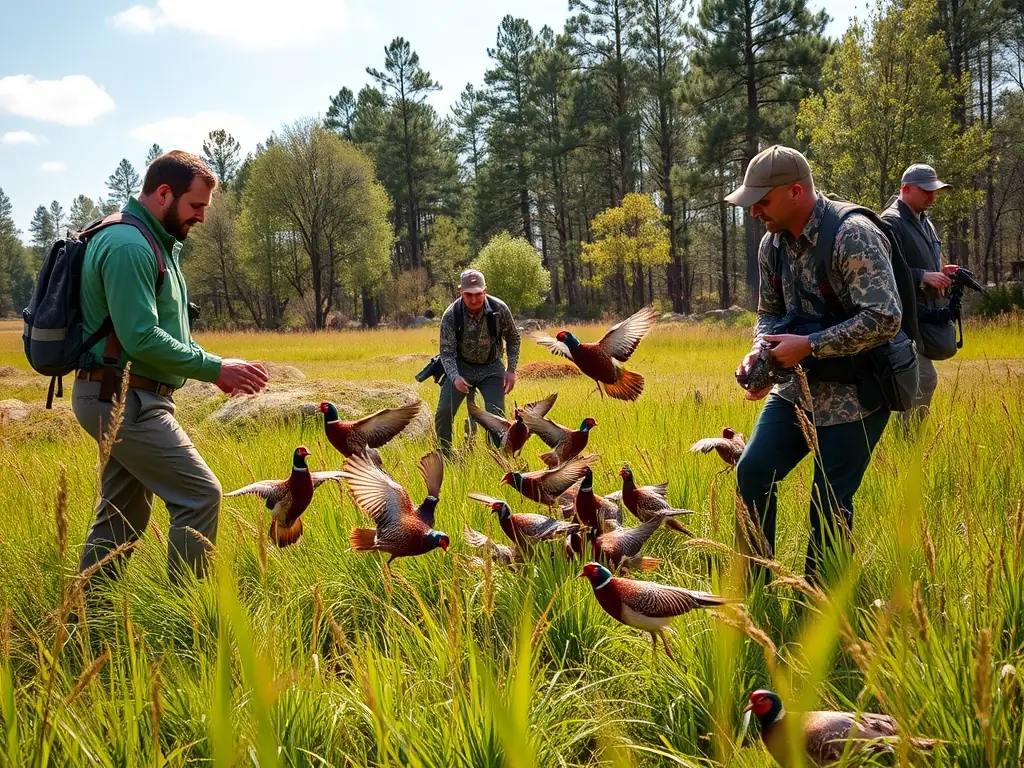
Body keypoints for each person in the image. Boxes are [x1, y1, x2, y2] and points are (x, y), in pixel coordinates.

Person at [73, 150, 269, 584]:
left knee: (122, 517)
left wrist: (214, 367)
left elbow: (168, 334)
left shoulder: (155, 243)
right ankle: (188, 620)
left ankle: (82, 623)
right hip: (122, 397)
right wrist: (215, 368)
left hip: (130, 395)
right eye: (195, 205)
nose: (200, 217)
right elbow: (139, 336)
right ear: (164, 193)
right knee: (200, 495)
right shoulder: (128, 246)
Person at [726, 145, 903, 583]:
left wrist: (809, 345)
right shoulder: (773, 244)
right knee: (752, 472)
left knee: (828, 503)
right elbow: (769, 312)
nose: (754, 213)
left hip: (858, 394)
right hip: (796, 389)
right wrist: (760, 353)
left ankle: (818, 608)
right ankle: (755, 588)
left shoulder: (853, 235)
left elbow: (885, 317)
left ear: (796, 192)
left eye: (762, 201)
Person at [880, 164, 955, 426]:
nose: (932, 197)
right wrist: (922, 276)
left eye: (934, 191)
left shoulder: (925, 221)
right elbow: (883, 271)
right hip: (902, 321)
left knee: (920, 380)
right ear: (906, 189)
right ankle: (908, 443)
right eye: (926, 191)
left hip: (922, 316)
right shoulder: (891, 222)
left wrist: (941, 271)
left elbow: (919, 261)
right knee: (923, 379)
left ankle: (911, 442)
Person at [434, 269, 521, 456]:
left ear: (485, 291)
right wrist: (455, 377)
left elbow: (513, 338)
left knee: (496, 416)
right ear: (461, 292)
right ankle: (446, 456)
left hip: (491, 368)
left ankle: (497, 457)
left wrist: (511, 370)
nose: (474, 300)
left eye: (478, 294)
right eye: (469, 295)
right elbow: (446, 353)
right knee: (444, 411)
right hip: (461, 367)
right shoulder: (451, 315)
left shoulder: (499, 310)